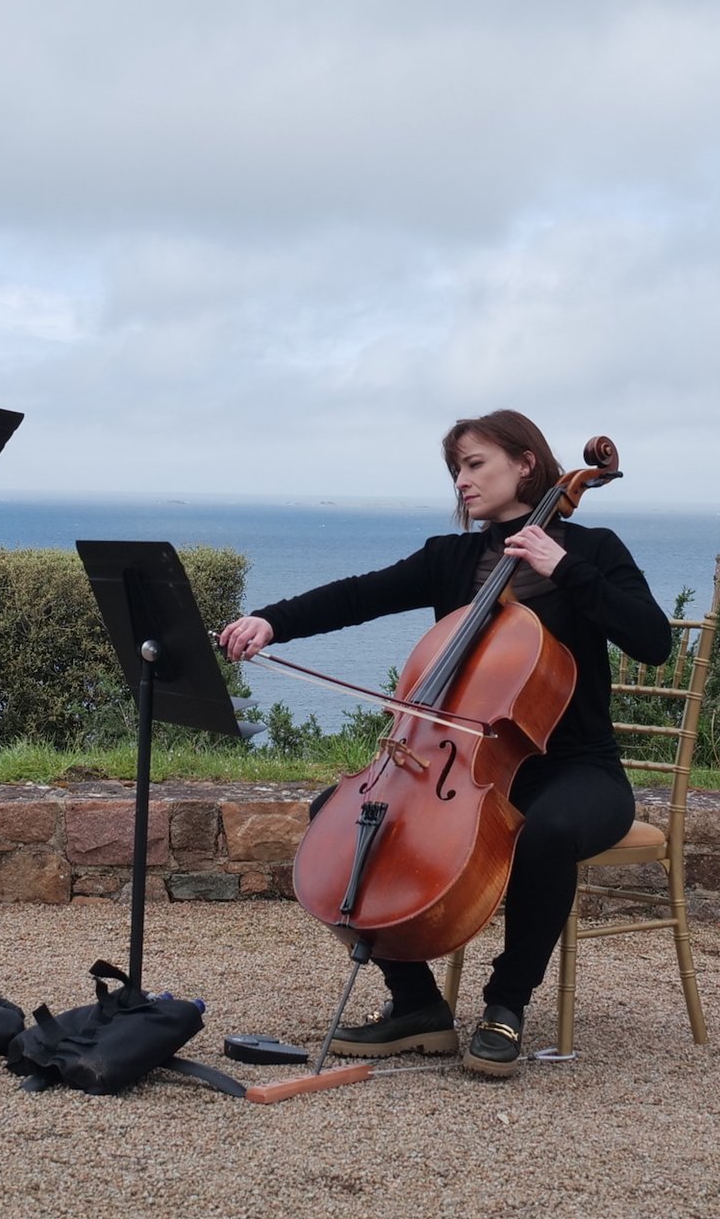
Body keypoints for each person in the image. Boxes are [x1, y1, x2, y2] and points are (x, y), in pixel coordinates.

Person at [216, 409, 672, 1077]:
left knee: (545, 831)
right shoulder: (453, 558)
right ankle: (417, 1006)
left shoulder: (594, 549)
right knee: (342, 819)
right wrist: (271, 622)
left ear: (524, 463)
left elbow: (653, 643)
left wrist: (565, 566)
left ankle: (506, 1006)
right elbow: (357, 597)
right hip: (459, 769)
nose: (461, 480)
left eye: (475, 464)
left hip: (577, 771)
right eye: (456, 468)